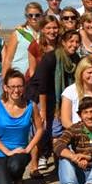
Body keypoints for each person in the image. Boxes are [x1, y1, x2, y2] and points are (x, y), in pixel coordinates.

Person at [28, 29, 81, 174]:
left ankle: (60, 167)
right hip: (40, 97)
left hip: (59, 99)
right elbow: (42, 86)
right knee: (40, 130)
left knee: (57, 133)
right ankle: (34, 166)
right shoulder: (51, 58)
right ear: (63, 42)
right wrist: (43, 111)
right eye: (71, 41)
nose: (74, 44)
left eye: (77, 42)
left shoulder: (75, 59)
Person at [0, 69, 44, 184]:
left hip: (20, 152)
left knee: (15, 166)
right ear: (5, 88)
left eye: (19, 86)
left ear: (24, 87)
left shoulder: (31, 106)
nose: (16, 90)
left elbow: (40, 129)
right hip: (0, 152)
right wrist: (7, 152)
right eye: (12, 87)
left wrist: (28, 148)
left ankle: (17, 178)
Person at [59, 57, 92, 131]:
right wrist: (83, 133)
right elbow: (65, 121)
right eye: (89, 73)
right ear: (81, 73)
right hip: (76, 133)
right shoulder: (70, 91)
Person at [2, 2, 42, 75]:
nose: (34, 18)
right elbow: (8, 59)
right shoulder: (18, 34)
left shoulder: (45, 34)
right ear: (26, 16)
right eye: (30, 15)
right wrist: (4, 78)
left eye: (37, 15)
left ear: (41, 16)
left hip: (37, 76)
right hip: (19, 76)